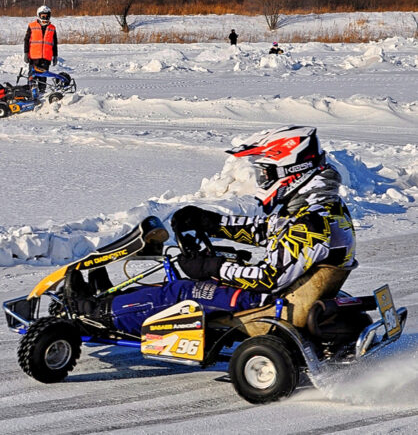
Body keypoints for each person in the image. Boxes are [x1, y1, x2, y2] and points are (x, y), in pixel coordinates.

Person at [68, 126, 357, 336]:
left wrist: (211, 265)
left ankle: (96, 313)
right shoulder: (322, 211)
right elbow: (269, 230)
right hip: (283, 295)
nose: (262, 179)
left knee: (178, 293)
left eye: (267, 172)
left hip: (264, 303)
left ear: (292, 172)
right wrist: (212, 223)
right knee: (182, 281)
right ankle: (111, 301)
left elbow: (268, 278)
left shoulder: (311, 223)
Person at [24, 5, 58, 93]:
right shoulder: (31, 26)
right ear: (38, 15)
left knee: (43, 77)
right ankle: (31, 94)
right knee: (32, 76)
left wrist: (55, 56)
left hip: (46, 58)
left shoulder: (52, 28)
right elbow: (26, 40)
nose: (45, 17)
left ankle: (42, 93)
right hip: (34, 57)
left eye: (47, 15)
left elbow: (54, 43)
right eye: (43, 15)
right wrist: (26, 53)